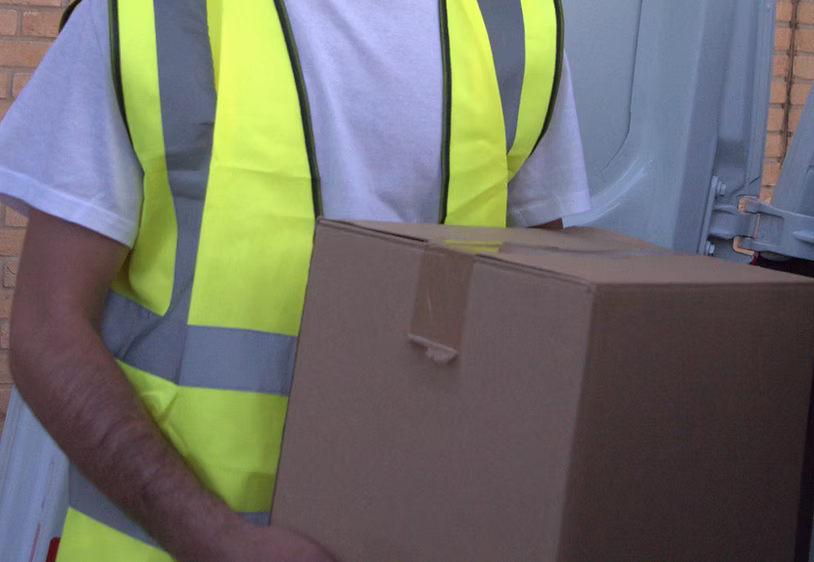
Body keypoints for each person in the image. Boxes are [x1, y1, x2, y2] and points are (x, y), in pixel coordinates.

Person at [0, 0, 591, 559]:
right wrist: (213, 540)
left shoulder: (514, 24)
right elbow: (47, 329)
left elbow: (550, 326)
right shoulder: (147, 16)